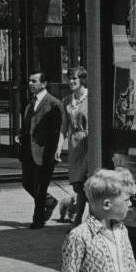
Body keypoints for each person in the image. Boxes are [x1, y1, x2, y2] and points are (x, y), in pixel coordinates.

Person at [19, 72, 64, 229]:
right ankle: (49, 201)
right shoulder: (30, 104)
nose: (31, 83)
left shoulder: (53, 103)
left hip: (45, 153)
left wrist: (54, 153)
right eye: (29, 81)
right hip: (28, 153)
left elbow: (57, 131)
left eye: (34, 81)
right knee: (26, 183)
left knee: (40, 186)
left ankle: (38, 220)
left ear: (44, 84)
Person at [62, 67, 91, 225]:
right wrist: (58, 148)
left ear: (82, 80)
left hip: (89, 145)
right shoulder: (66, 100)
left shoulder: (91, 98)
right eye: (69, 78)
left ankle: (79, 219)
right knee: (78, 186)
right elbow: (63, 127)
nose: (71, 81)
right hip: (74, 147)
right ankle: (80, 218)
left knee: (85, 183)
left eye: (74, 78)